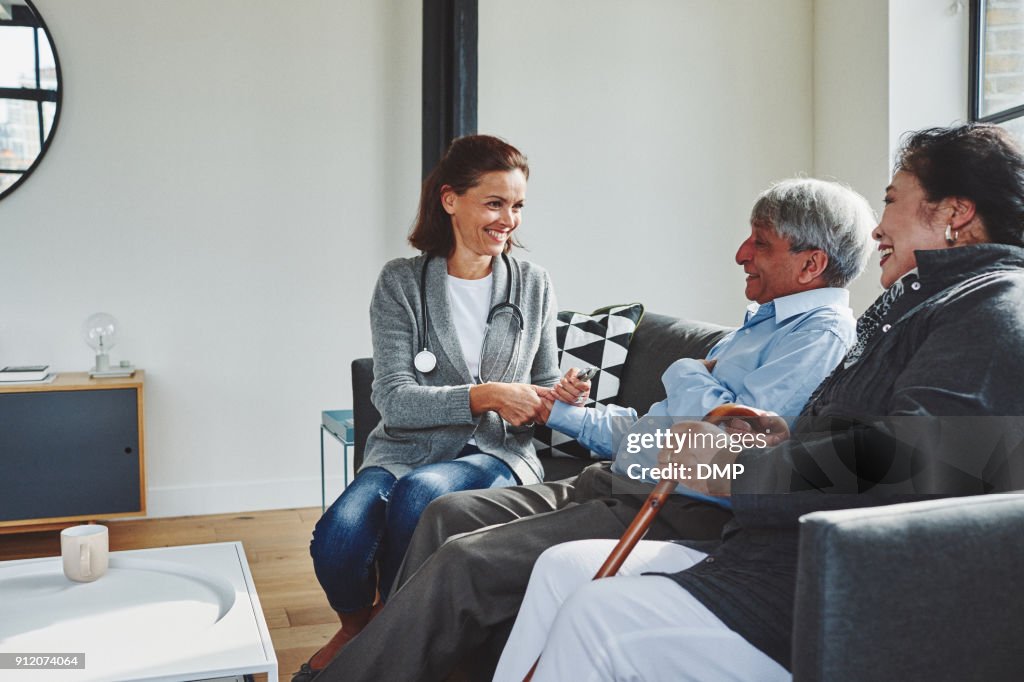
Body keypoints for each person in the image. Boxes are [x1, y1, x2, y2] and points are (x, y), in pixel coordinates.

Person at [497, 123, 1024, 682]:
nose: (877, 228)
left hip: (818, 587)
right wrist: (778, 442)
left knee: (598, 617)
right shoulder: (921, 307)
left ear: (955, 214)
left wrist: (739, 470)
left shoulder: (992, 307)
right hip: (768, 557)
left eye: (893, 201)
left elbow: (909, 462)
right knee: (564, 569)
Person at [312, 177, 878, 681]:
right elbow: (649, 429)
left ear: (811, 264)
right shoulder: (760, 327)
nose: (740, 254)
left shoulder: (818, 338)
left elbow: (720, 449)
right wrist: (552, 410)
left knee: (467, 560)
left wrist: (684, 372)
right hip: (618, 478)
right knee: (446, 514)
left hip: (677, 507)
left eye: (760, 242)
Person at [294, 135, 561, 681]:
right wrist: (484, 395)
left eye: (517, 205)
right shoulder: (401, 282)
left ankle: (393, 647)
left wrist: (557, 397)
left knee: (422, 496)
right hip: (404, 448)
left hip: (495, 451)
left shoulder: (533, 283)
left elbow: (544, 382)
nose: (509, 219)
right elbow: (392, 400)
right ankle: (359, 628)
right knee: (339, 537)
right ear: (450, 201)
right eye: (494, 203)